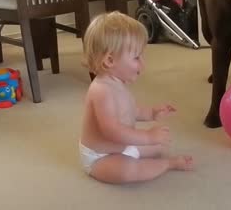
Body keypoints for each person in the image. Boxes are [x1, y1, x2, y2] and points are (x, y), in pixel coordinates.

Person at [79, 11, 193, 184]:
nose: (143, 63)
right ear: (110, 60)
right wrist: (147, 137)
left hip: (122, 146)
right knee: (128, 171)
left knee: (158, 147)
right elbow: (112, 132)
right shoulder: (101, 90)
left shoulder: (118, 82)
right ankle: (168, 164)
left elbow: (131, 110)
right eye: (136, 57)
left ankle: (142, 153)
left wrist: (152, 113)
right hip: (100, 156)